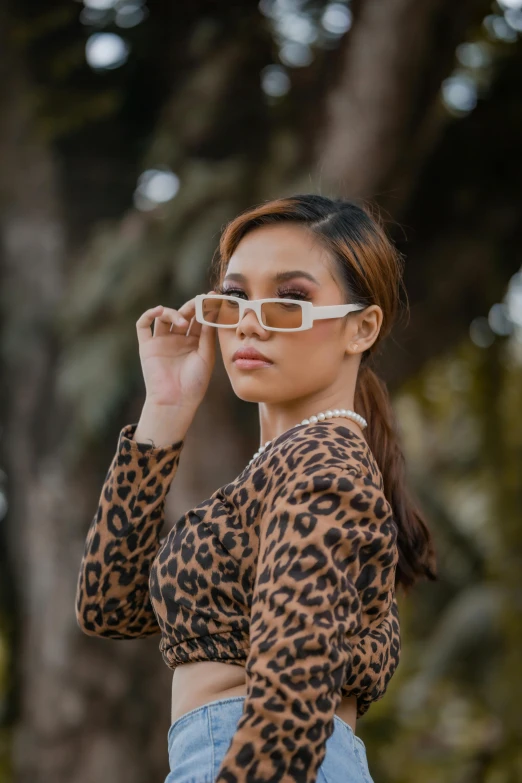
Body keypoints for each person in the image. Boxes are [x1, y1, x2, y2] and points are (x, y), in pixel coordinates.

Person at [75, 194, 437, 783]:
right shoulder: (283, 470)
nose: (249, 319)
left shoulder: (324, 469)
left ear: (360, 328)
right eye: (237, 295)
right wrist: (165, 408)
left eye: (291, 298)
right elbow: (109, 606)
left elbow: (289, 710)